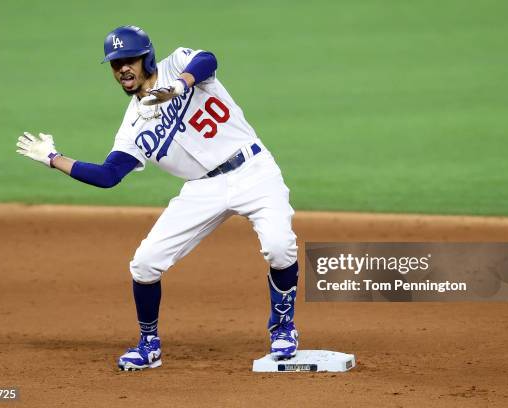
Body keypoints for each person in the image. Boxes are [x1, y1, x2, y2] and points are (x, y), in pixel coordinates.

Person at [15, 25, 299, 371]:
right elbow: (108, 176)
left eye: (128, 60)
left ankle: (283, 327)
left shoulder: (177, 65)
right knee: (145, 264)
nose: (122, 69)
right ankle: (149, 344)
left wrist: (179, 85)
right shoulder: (132, 124)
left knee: (279, 245)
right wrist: (53, 158)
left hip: (252, 169)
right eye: (115, 64)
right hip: (202, 189)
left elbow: (208, 60)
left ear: (146, 56)